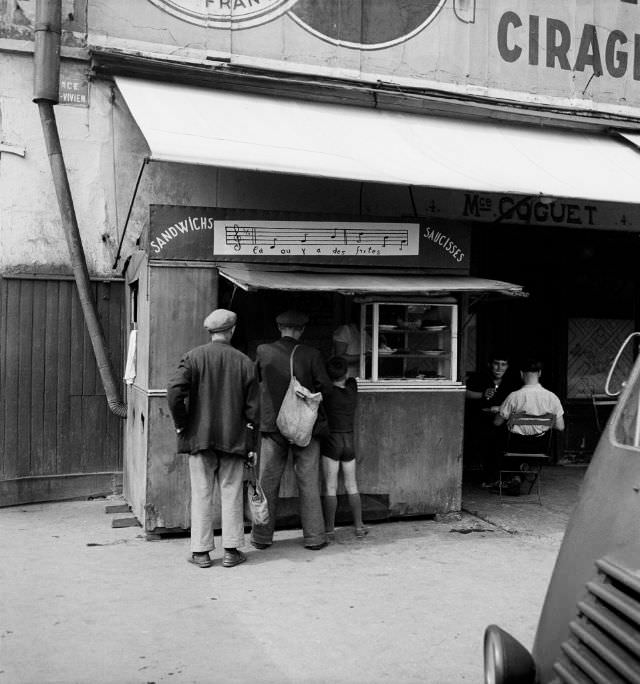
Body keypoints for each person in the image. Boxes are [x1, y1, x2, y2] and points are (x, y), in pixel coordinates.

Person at [167, 308, 259, 569]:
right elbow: (254, 409)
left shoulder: (193, 357)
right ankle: (231, 550)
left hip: (199, 438)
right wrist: (250, 443)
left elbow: (174, 392)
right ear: (232, 331)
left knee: (202, 493)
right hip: (234, 439)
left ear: (210, 332)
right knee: (231, 492)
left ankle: (200, 553)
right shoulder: (244, 362)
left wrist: (182, 425)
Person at [251, 309, 333, 551]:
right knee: (308, 481)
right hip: (305, 428)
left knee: (267, 481)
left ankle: (261, 537)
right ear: (302, 330)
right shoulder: (312, 354)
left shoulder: (263, 352)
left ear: (279, 328)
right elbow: (325, 388)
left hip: (272, 426)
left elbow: (253, 383)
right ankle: (315, 538)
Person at [493, 358, 565, 494]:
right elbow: (560, 427)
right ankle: (525, 469)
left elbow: (497, 422)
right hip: (540, 445)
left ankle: (514, 476)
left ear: (521, 374)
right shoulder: (552, 397)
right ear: (540, 373)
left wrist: (499, 411)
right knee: (532, 441)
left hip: (515, 444)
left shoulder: (514, 396)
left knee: (501, 436)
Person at [321, 356, 367, 540]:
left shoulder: (327, 392)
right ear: (345, 373)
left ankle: (329, 530)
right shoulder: (352, 389)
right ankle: (358, 527)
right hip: (349, 441)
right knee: (352, 485)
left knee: (331, 487)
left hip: (332, 442)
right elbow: (351, 378)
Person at [464, 353, 520, 485]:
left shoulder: (512, 382)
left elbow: (518, 402)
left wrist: (501, 408)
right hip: (480, 420)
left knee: (506, 440)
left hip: (503, 422)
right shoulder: (479, 377)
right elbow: (464, 392)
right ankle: (490, 476)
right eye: (496, 364)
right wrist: (482, 395)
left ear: (508, 366)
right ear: (490, 365)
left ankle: (506, 476)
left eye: (503, 364)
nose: (499, 368)